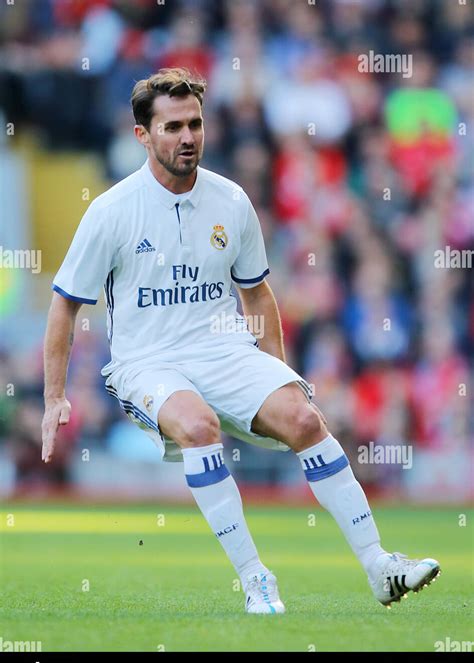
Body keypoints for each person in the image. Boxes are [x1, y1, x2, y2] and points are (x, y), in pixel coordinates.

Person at [42, 68, 440, 614]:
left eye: (196, 124)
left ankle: (378, 565)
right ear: (142, 135)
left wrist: (277, 378)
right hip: (147, 362)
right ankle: (256, 579)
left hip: (225, 350)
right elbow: (64, 304)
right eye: (173, 126)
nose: (188, 137)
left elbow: (257, 295)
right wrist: (53, 397)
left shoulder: (230, 201)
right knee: (198, 424)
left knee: (303, 419)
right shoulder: (111, 211)